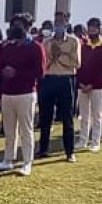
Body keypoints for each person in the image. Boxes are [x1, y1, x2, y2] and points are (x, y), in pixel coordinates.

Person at [0, 14, 45, 176]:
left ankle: (27, 162)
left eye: (19, 25)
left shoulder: (35, 47)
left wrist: (17, 73)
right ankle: (8, 159)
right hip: (7, 92)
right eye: (14, 24)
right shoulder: (7, 47)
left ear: (28, 27)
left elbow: (40, 72)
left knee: (26, 129)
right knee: (9, 129)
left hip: (26, 93)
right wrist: (3, 73)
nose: (16, 27)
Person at [37, 18, 81, 161]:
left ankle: (70, 152)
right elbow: (43, 63)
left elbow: (77, 63)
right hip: (49, 79)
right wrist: (52, 56)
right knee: (45, 116)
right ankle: (43, 149)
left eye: (61, 25)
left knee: (67, 117)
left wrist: (60, 54)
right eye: (56, 25)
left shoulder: (73, 42)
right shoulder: (46, 42)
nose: (59, 28)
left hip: (66, 79)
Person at [75, 18, 102, 153]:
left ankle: (95, 141)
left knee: (96, 114)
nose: (92, 31)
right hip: (82, 85)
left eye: (94, 29)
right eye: (90, 29)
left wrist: (92, 84)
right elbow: (78, 65)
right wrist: (80, 82)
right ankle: (82, 140)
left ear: (99, 29)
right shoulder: (83, 45)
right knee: (84, 115)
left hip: (97, 86)